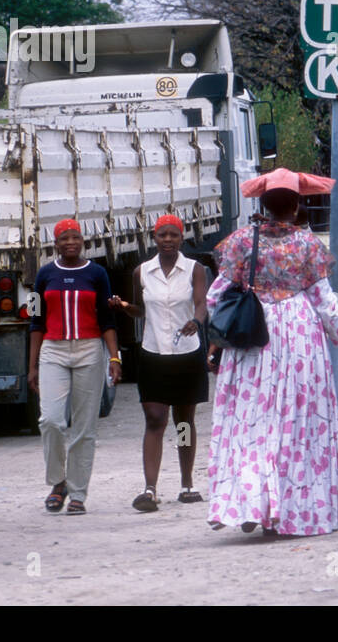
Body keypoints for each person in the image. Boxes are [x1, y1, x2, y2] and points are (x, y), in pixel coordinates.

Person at [205, 168, 338, 536]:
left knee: (250, 425)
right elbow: (325, 302)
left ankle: (250, 502)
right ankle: (293, 509)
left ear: (262, 204)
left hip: (252, 341)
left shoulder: (241, 242)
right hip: (300, 341)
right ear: (296, 206)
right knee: (295, 426)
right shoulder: (308, 246)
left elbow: (214, 297)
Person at [109, 215, 208, 513]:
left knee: (183, 421)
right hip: (152, 354)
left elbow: (202, 303)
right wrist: (125, 307)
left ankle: (187, 483)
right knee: (154, 418)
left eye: (173, 235)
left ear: (181, 238)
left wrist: (196, 320)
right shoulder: (142, 271)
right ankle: (149, 489)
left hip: (187, 354)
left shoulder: (194, 269)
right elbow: (141, 309)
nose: (167, 240)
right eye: (162, 235)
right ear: (154, 238)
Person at [28, 219, 122, 516]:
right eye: (64, 238)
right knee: (51, 421)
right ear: (55, 243)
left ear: (83, 241)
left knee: (85, 427)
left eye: (76, 237)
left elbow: (107, 320)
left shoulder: (97, 273)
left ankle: (78, 493)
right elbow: (35, 321)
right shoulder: (44, 275)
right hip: (52, 349)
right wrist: (31, 367)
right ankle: (58, 483)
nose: (70, 242)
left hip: (89, 350)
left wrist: (114, 357)